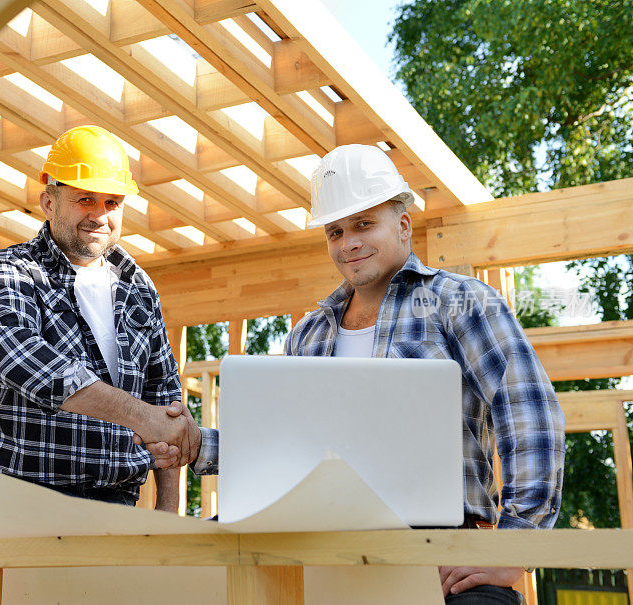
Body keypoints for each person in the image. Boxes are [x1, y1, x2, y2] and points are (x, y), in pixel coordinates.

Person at [143, 145, 565, 602]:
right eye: (335, 231)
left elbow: (529, 414)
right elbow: (285, 447)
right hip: (327, 555)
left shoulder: (460, 302)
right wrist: (198, 444)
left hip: (440, 556)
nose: (349, 243)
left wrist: (516, 542)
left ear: (403, 224)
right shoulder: (309, 334)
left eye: (364, 224)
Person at [0, 125, 200, 511]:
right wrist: (144, 418)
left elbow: (164, 395)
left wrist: (167, 512)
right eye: (85, 199)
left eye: (112, 203)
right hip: (19, 500)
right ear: (48, 202)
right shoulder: (10, 271)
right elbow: (24, 361)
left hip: (117, 506)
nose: (99, 215)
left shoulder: (138, 287)